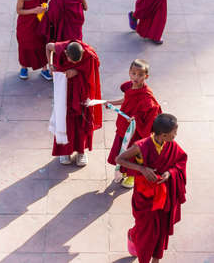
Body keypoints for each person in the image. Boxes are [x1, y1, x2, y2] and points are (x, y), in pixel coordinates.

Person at [116, 114, 187, 263]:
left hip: (163, 195)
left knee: (160, 231)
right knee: (146, 233)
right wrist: (141, 169)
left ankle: (155, 260)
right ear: (164, 135)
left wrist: (170, 173)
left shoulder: (171, 145)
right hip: (145, 196)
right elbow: (120, 159)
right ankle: (134, 237)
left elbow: (180, 161)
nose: (176, 135)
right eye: (174, 132)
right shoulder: (141, 146)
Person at [106, 59, 162, 188]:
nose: (136, 77)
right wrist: (111, 103)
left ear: (146, 76)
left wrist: (136, 119)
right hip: (123, 128)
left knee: (132, 153)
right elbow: (125, 99)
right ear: (129, 73)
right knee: (121, 150)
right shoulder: (129, 87)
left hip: (136, 131)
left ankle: (132, 176)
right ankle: (125, 172)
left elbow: (151, 114)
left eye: (140, 75)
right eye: (133, 73)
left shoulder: (147, 97)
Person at [46, 40, 102, 166]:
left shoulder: (88, 54)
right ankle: (65, 151)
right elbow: (47, 47)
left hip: (82, 92)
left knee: (81, 120)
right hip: (64, 90)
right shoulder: (60, 48)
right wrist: (50, 64)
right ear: (66, 53)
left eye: (77, 62)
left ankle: (81, 152)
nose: (74, 64)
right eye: (72, 61)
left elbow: (92, 71)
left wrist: (77, 71)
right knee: (64, 120)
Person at [14, 0, 52, 81]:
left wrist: (43, 8)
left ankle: (44, 69)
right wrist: (34, 11)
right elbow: (19, 10)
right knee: (25, 46)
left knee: (41, 45)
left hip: (38, 23)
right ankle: (24, 68)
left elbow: (45, 0)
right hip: (25, 26)